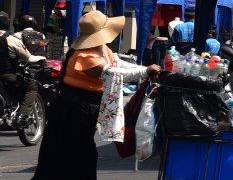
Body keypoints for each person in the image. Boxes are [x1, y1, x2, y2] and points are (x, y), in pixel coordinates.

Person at [32, 10, 160, 180]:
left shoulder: (100, 48)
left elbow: (118, 63)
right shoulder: (85, 55)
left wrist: (144, 69)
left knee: (79, 152)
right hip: (72, 108)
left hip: (86, 106)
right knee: (68, 152)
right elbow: (112, 72)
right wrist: (145, 71)